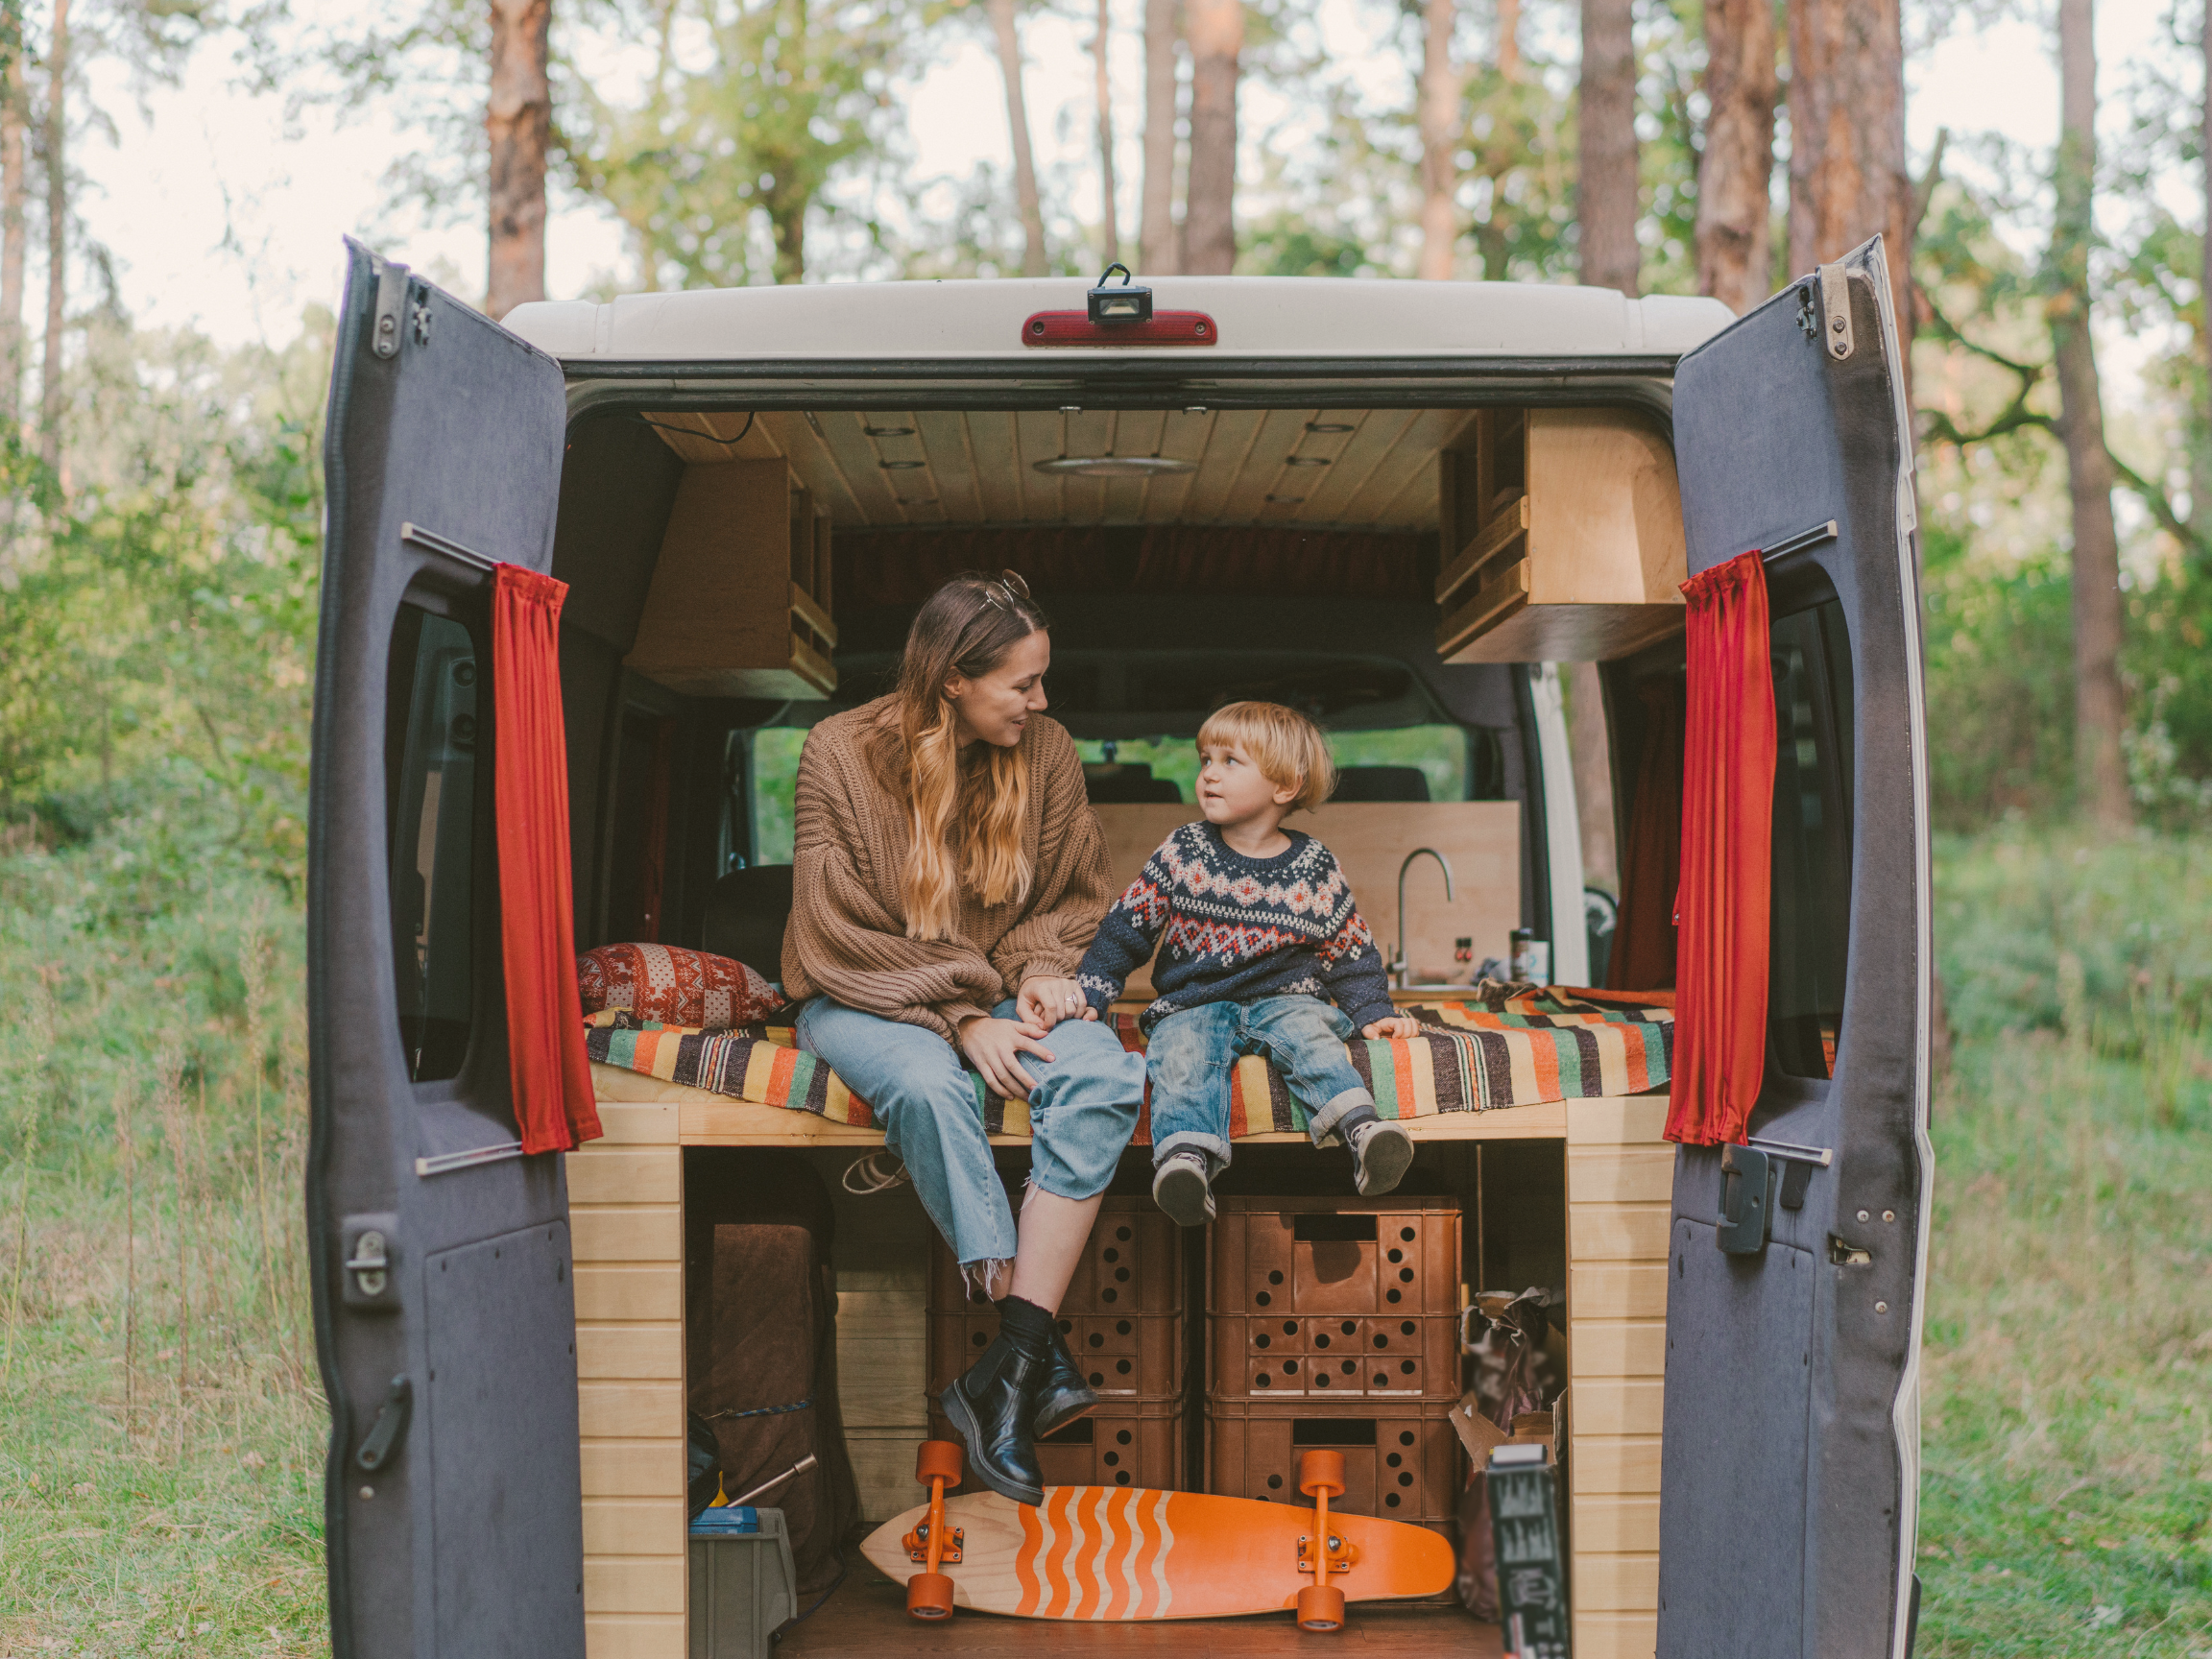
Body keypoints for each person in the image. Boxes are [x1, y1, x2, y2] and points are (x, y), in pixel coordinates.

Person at [781, 569, 1145, 1508]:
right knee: (932, 1086)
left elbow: (1072, 899)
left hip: (1000, 994)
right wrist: (962, 1017)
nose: (1043, 700)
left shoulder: (1051, 753)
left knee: (1104, 1078)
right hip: (863, 994)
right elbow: (834, 930)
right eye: (1022, 683)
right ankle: (1025, 1364)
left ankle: (1012, 1363)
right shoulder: (837, 751)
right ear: (951, 678)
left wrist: (1036, 982)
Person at [1073, 700, 1422, 1227]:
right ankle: (1186, 1161)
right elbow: (1126, 930)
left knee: (1312, 1039)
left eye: (1230, 761)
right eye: (1205, 759)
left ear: (1284, 786)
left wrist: (1373, 1010)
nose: (1208, 773)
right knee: (1182, 1054)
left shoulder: (1314, 865)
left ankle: (1362, 1130)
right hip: (1195, 1002)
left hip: (1287, 1000)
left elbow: (1349, 949)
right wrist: (1092, 993)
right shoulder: (1183, 851)